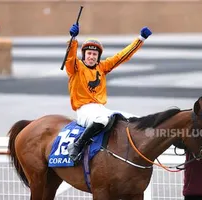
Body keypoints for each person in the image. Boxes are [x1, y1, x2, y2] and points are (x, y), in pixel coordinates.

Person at [65, 23, 152, 162]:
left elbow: (121, 56)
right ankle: (77, 145)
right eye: (89, 53)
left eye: (94, 54)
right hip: (84, 110)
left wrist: (140, 39)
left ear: (98, 56)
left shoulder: (102, 67)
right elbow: (70, 57)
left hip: (100, 108)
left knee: (134, 119)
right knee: (102, 120)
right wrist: (73, 39)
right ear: (84, 55)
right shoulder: (75, 68)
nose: (91, 57)